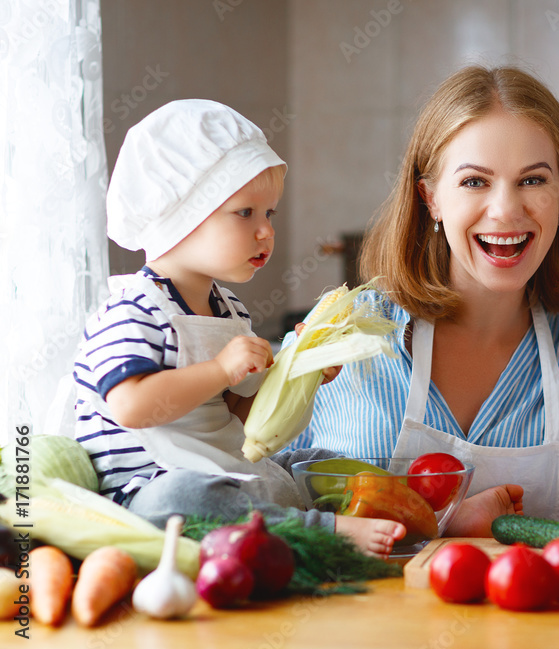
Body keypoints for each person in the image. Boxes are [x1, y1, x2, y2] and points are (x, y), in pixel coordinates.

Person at [287, 65, 559, 535]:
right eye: (474, 181)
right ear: (430, 198)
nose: (506, 210)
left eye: (533, 180)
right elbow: (247, 497)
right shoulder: (340, 340)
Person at [74, 99, 404, 557]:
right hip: (148, 489)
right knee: (183, 499)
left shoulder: (228, 309)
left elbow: (238, 420)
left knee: (314, 463)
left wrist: (298, 374)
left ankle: (424, 508)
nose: (266, 231)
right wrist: (220, 369)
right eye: (245, 213)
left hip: (222, 465)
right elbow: (131, 407)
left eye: (268, 214)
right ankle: (322, 528)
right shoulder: (132, 309)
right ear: (182, 217)